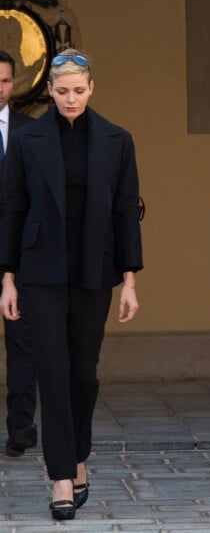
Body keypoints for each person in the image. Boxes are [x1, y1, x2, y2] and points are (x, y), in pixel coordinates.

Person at [0, 49, 143, 521]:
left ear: (91, 88)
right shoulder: (28, 140)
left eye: (78, 91)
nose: (70, 99)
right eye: (61, 92)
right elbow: (12, 210)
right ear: (50, 91)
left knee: (83, 373)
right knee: (52, 372)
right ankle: (61, 474)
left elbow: (126, 212)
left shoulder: (117, 140)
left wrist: (129, 281)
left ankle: (78, 454)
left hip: (94, 272)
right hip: (40, 272)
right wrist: (8, 279)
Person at [0, 50, 37, 458]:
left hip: (19, 252)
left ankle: (21, 428)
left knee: (22, 340)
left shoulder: (32, 131)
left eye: (5, 81)